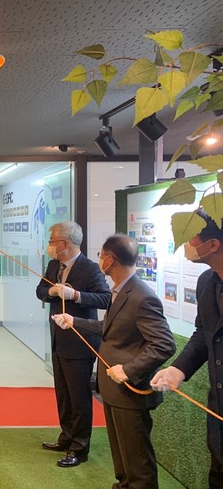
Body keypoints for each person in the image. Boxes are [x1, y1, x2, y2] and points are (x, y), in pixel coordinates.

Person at [54, 234, 175, 488]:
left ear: (110, 260)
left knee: (137, 460)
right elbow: (109, 328)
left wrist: (129, 370)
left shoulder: (141, 296)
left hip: (130, 391)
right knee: (122, 458)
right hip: (113, 390)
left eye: (101, 255)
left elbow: (164, 344)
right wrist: (75, 321)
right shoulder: (119, 291)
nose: (99, 260)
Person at [151, 209, 223, 488]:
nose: (184, 244)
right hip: (217, 408)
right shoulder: (206, 282)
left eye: (189, 237)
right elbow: (204, 333)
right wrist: (178, 370)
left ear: (213, 245)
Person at [36, 220, 111, 467]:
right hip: (58, 340)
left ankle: (80, 447)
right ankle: (66, 437)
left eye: (52, 241)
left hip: (80, 341)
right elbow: (40, 290)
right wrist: (51, 292)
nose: (49, 246)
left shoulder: (90, 269)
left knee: (79, 397)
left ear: (65, 243)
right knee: (63, 393)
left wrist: (75, 295)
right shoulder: (53, 265)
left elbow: (105, 298)